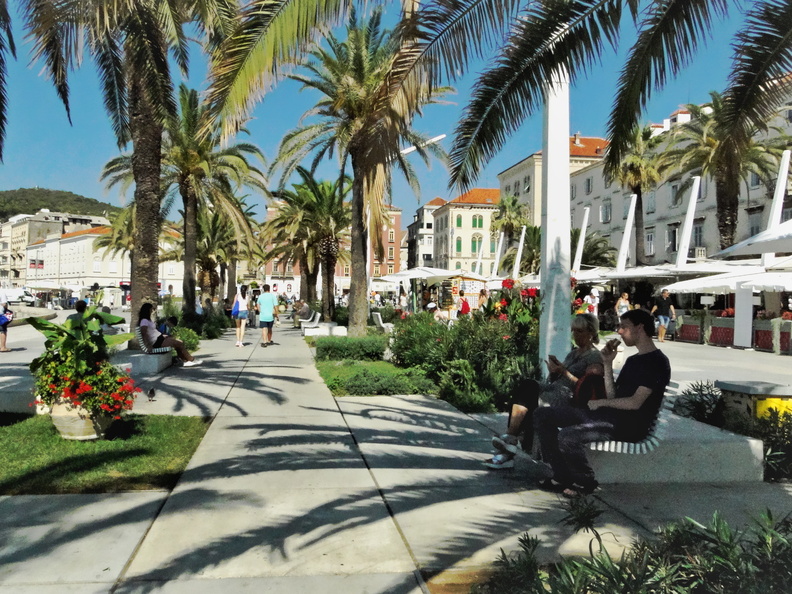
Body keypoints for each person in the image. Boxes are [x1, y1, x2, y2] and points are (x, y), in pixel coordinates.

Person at [534, 309, 671, 497]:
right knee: (543, 415)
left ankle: (585, 480)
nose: (619, 331)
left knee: (568, 436)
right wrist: (607, 363)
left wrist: (601, 403)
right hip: (609, 416)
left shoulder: (657, 362)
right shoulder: (633, 360)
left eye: (624, 326)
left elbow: (635, 403)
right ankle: (561, 475)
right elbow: (614, 395)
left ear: (639, 327)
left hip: (629, 425)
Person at [486, 314, 604, 469]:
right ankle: (510, 439)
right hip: (554, 389)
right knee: (526, 386)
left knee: (529, 395)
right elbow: (557, 379)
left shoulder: (594, 356)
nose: (575, 335)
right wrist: (554, 372)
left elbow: (588, 387)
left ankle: (509, 444)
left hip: (566, 397)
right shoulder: (573, 353)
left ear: (591, 333)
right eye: (573, 331)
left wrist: (564, 372)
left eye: (579, 331)